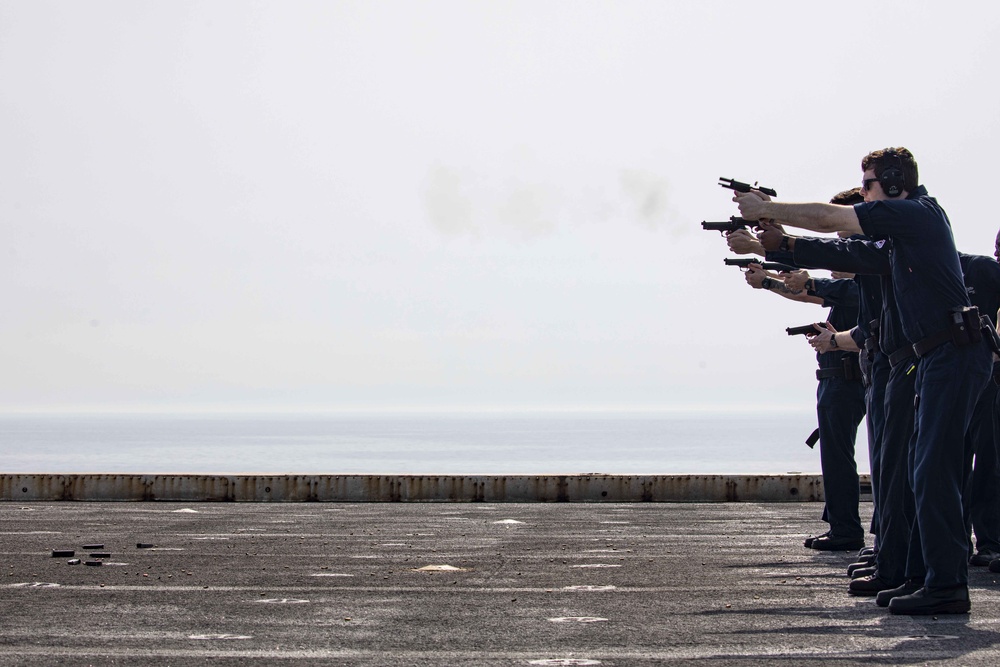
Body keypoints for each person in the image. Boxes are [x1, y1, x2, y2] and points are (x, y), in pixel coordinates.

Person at [733, 147, 993, 615]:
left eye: (870, 183)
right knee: (919, 470)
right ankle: (922, 575)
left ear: (895, 184)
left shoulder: (917, 214)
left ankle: (947, 585)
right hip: (933, 356)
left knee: (933, 469)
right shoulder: (902, 236)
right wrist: (777, 246)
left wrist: (768, 209)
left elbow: (836, 222)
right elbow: (843, 253)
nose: (867, 193)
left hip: (952, 352)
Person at [739, 262, 866, 551]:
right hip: (853, 379)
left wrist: (767, 281)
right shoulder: (864, 292)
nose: (835, 264)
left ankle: (845, 528)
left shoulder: (852, 289)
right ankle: (847, 525)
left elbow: (803, 293)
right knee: (850, 455)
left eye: (845, 255)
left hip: (843, 381)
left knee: (837, 456)